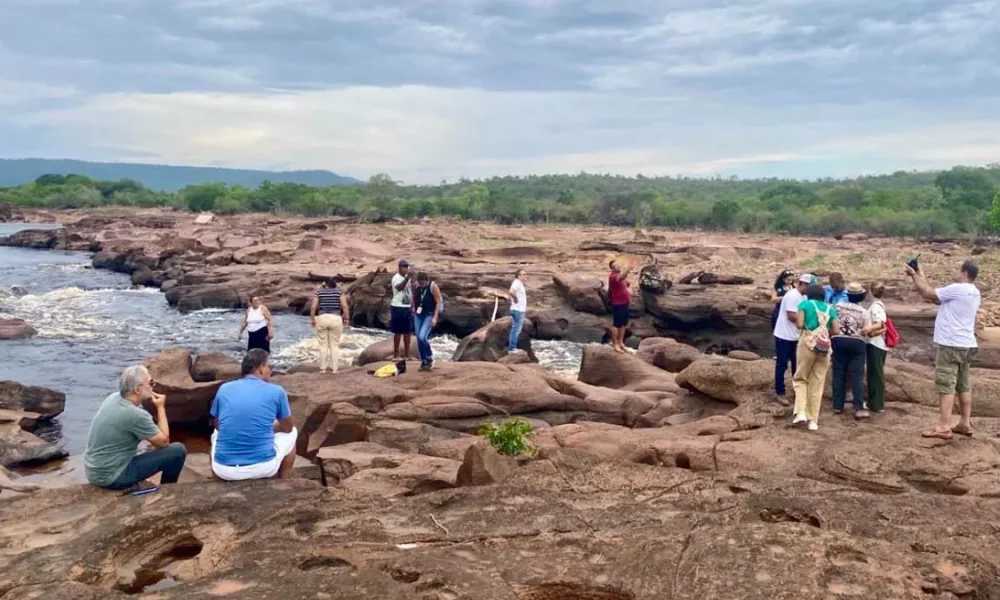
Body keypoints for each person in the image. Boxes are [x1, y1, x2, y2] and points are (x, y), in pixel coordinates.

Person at [908, 260, 981, 439]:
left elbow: (926, 292)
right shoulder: (974, 292)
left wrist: (912, 275)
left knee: (946, 385)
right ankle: (965, 422)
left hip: (951, 344)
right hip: (967, 344)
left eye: (957, 269)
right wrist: (920, 274)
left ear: (964, 273)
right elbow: (935, 297)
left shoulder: (958, 288)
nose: (955, 272)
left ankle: (944, 426)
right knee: (963, 384)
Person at [84, 365, 187, 492]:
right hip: (112, 476)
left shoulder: (113, 398)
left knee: (149, 448)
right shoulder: (135, 415)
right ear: (138, 389)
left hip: (94, 471)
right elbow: (164, 442)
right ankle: (167, 492)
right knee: (177, 450)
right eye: (151, 383)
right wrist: (160, 407)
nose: (153, 386)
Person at [210, 349, 297, 480]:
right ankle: (285, 480)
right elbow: (288, 427)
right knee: (292, 433)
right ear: (261, 368)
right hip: (263, 467)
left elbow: (218, 425)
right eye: (269, 366)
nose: (270, 370)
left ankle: (216, 482)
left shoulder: (224, 389)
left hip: (223, 469)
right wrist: (271, 427)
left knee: (215, 435)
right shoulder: (277, 391)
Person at [792, 284, 841, 431]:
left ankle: (801, 411)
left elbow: (800, 324)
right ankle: (813, 420)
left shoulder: (805, 304)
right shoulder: (830, 309)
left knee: (801, 378)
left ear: (809, 294)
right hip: (824, 347)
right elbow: (836, 330)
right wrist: (823, 332)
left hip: (807, 343)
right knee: (817, 382)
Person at [830, 282, 871, 419]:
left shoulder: (837, 306)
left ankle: (837, 405)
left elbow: (830, 321)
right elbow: (866, 330)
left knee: (838, 372)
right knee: (857, 375)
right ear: (861, 296)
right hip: (856, 342)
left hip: (838, 340)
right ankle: (859, 406)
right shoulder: (864, 312)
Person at [773, 273, 812, 406]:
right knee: (782, 364)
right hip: (785, 335)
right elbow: (791, 316)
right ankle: (780, 392)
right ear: (803, 284)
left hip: (796, 336)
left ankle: (798, 391)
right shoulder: (792, 296)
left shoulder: (804, 297)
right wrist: (809, 321)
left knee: (798, 365)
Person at [310, 277, 350, 374]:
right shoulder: (339, 291)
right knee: (334, 345)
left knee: (323, 344)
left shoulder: (319, 291)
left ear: (325, 283)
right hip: (336, 318)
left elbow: (313, 307)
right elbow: (344, 306)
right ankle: (334, 369)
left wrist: (312, 319)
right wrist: (346, 318)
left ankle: (323, 369)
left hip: (322, 317)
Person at [861, 281, 889, 414]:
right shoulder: (877, 305)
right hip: (874, 343)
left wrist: (867, 329)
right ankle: (874, 402)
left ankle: (877, 404)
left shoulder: (877, 307)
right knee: (873, 373)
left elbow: (879, 324)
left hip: (876, 344)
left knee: (876, 374)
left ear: (871, 291)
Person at [413, 272, 443, 371]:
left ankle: (429, 357)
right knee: (418, 337)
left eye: (423, 283)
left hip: (429, 314)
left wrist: (435, 317)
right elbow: (414, 297)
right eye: (420, 283)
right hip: (418, 314)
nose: (421, 285)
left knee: (422, 336)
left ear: (427, 281)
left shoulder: (433, 287)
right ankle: (424, 360)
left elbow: (438, 301)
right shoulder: (416, 285)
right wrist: (413, 307)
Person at [608, 259, 635, 353]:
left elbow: (625, 282)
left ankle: (621, 343)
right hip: (617, 303)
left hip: (625, 303)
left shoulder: (619, 276)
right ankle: (614, 344)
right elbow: (620, 279)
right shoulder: (613, 276)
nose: (618, 266)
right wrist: (628, 269)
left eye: (618, 265)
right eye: (616, 266)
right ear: (612, 268)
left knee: (623, 324)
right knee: (616, 324)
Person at [390, 260, 413, 360]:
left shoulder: (407, 278)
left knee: (408, 332)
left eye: (407, 267)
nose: (406, 269)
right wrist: (407, 279)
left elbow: (409, 291)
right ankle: (396, 354)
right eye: (404, 267)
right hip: (397, 306)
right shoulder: (396, 278)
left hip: (407, 306)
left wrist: (412, 304)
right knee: (398, 331)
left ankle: (407, 355)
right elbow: (399, 287)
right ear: (399, 267)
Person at [507, 269, 528, 353]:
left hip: (519, 309)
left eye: (526, 274)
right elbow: (511, 291)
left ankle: (512, 347)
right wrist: (516, 299)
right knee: (516, 330)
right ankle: (512, 348)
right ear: (518, 276)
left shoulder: (519, 283)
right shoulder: (516, 282)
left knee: (515, 329)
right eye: (523, 274)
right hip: (518, 310)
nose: (525, 276)